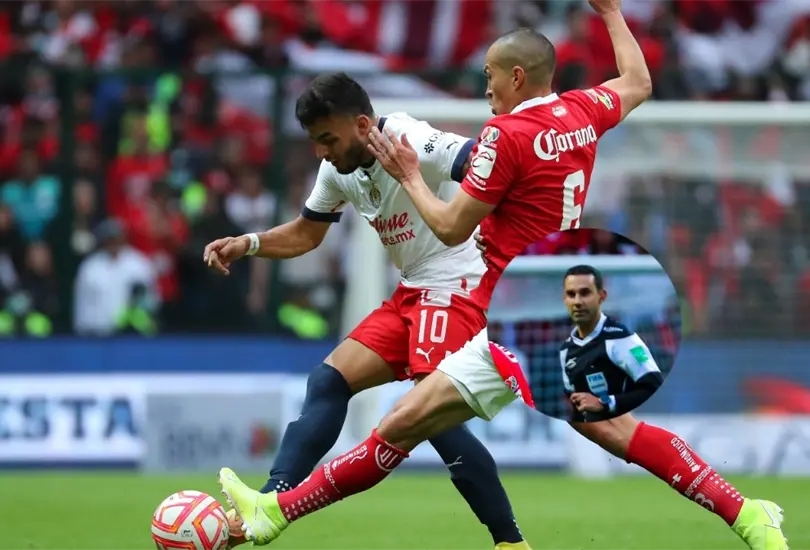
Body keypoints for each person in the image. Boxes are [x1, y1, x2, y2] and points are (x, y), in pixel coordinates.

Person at [218, 2, 788, 549]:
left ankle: (284, 512)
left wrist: (412, 176)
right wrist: (611, 12)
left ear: (518, 77)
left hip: (516, 308)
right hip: (545, 299)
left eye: (491, 75)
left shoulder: (504, 137)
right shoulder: (580, 111)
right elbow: (637, 82)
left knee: (411, 422)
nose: (485, 86)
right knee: (598, 430)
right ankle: (746, 514)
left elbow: (447, 226)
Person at [204, 72, 531, 550]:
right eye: (314, 141)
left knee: (430, 415)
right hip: (412, 291)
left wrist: (500, 231)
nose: (321, 151)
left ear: (362, 124)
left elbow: (487, 164)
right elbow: (306, 233)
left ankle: (510, 542)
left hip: (453, 288)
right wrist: (249, 244)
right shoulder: (337, 168)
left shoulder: (412, 138)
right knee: (330, 380)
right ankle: (270, 502)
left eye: (327, 139)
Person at [559, 264, 663, 422]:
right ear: (564, 299)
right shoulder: (566, 350)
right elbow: (576, 404)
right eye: (571, 294)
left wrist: (606, 403)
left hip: (626, 431)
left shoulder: (621, 338)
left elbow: (654, 387)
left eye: (585, 293)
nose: (577, 301)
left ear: (602, 296)